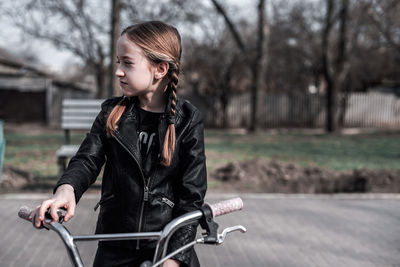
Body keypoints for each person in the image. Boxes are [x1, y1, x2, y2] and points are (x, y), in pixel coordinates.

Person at [34, 21, 207, 267]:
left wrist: (175, 258)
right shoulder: (111, 112)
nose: (118, 71)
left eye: (128, 62)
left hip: (166, 246)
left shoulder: (188, 120)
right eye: (118, 62)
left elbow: (192, 196)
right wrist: (66, 190)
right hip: (114, 245)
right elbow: (87, 159)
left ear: (160, 69)